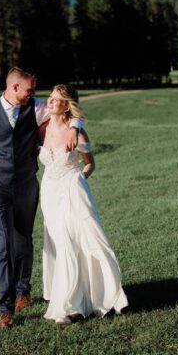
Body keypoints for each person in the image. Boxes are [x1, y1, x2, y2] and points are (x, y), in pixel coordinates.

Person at [0, 67, 81, 328]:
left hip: (26, 186)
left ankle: (23, 291)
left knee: (23, 240)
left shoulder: (35, 106)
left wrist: (77, 126)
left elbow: (67, 109)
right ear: (14, 88)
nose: (35, 94)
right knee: (3, 244)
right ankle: (6, 308)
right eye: (30, 89)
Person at [38, 85, 128, 324]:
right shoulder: (41, 128)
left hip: (73, 191)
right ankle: (70, 299)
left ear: (66, 105)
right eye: (50, 97)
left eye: (56, 100)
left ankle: (76, 304)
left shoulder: (77, 132)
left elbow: (90, 164)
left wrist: (78, 179)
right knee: (59, 243)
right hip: (48, 193)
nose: (50, 101)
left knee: (80, 241)